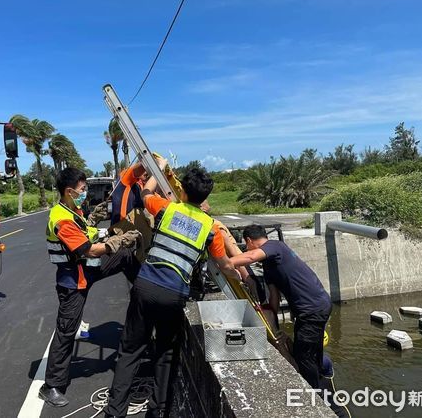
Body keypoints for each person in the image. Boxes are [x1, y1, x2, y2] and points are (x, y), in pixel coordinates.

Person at [104, 163, 240, 418]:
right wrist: (241, 275)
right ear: (205, 198)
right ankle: (158, 411)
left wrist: (157, 169)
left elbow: (145, 194)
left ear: (183, 192)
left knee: (130, 350)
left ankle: (115, 413)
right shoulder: (210, 227)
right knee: (165, 353)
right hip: (174, 293)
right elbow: (225, 265)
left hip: (145, 285)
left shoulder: (167, 208)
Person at [39, 167, 143, 407]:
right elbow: (89, 249)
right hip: (73, 281)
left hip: (87, 270)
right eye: (83, 189)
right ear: (68, 191)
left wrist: (105, 229)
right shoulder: (62, 219)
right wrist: (116, 241)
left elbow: (88, 232)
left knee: (126, 257)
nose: (85, 193)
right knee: (66, 331)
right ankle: (51, 386)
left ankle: (144, 291)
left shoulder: (71, 210)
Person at [229, 224, 332, 389]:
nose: (247, 250)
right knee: (311, 352)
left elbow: (249, 257)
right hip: (314, 307)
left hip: (312, 308)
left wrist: (223, 262)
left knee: (304, 356)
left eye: (246, 246)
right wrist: (271, 320)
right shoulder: (269, 265)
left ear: (249, 241)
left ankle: (316, 395)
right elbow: (274, 295)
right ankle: (321, 383)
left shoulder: (275, 246)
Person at [111, 161, 147, 225]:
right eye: (145, 170)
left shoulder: (140, 186)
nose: (146, 172)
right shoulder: (125, 178)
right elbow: (139, 168)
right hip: (121, 228)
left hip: (133, 228)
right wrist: (152, 160)